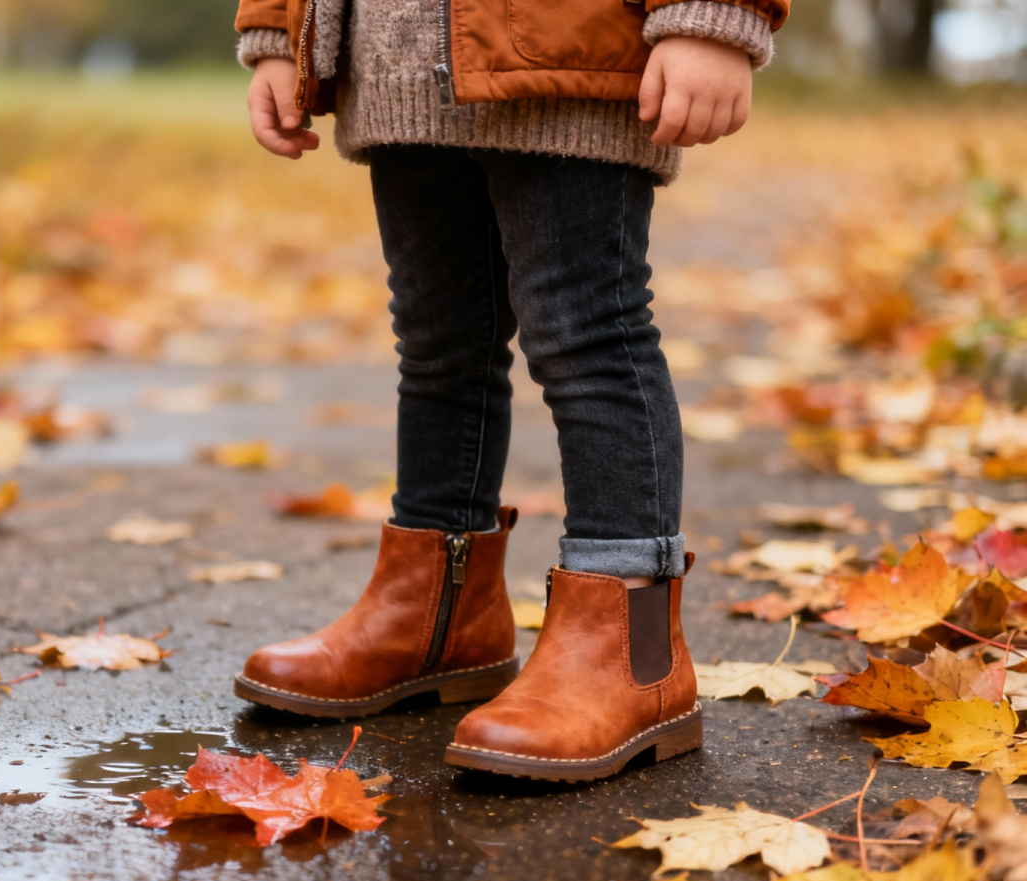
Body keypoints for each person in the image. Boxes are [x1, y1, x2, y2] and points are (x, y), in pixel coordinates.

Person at [230, 0, 786, 782]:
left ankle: (632, 650)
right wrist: (281, 31)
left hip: (566, 46)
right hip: (392, 62)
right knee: (436, 343)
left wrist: (712, 15)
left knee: (587, 335)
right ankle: (437, 618)